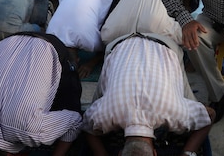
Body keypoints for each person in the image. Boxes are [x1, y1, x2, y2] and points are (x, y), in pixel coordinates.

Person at [0, 33, 83, 156]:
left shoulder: (33, 132)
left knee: (70, 105)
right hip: (6, 43)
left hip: (49, 45)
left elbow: (75, 121)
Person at [82, 33, 213, 156]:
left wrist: (187, 153)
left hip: (164, 41)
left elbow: (210, 115)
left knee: (188, 103)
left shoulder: (175, 114)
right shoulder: (104, 115)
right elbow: (86, 125)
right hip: (120, 41)